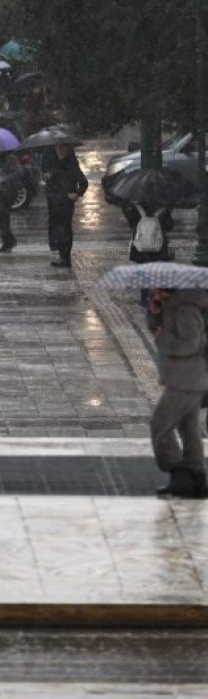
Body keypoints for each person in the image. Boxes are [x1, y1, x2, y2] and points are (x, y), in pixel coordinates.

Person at [145, 289, 208, 498]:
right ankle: (197, 477)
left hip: (186, 379)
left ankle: (178, 472)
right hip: (184, 378)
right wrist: (154, 312)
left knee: (159, 424)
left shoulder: (185, 310)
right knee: (189, 428)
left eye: (157, 289)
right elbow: (155, 328)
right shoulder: (172, 307)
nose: (154, 291)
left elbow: (192, 344)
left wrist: (164, 339)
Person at [42, 143, 88, 268]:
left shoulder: (71, 166)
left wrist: (77, 194)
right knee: (56, 226)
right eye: (58, 148)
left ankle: (65, 257)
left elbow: (83, 182)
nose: (60, 151)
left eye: (63, 148)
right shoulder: (51, 164)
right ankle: (61, 254)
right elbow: (45, 178)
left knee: (64, 228)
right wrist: (47, 177)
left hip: (65, 202)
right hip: (53, 200)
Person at [125, 202, 175, 306]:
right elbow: (169, 226)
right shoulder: (163, 206)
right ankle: (156, 297)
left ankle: (144, 297)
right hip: (159, 246)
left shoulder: (137, 205)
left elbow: (131, 222)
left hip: (142, 245)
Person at [0, 151, 24, 253]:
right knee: (3, 218)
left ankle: (9, 240)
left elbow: (19, 173)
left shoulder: (11, 159)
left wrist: (4, 179)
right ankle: (7, 243)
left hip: (8, 192)